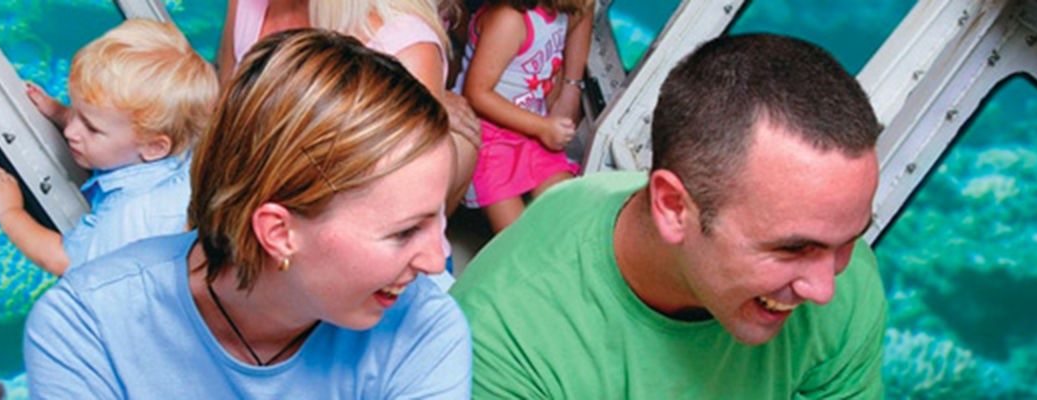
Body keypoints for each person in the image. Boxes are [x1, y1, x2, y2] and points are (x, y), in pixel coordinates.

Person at [23, 29, 470, 398]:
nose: (436, 259)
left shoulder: (425, 328)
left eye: (438, 220)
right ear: (278, 232)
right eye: (405, 232)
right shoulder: (86, 327)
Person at [451, 33, 888, 398]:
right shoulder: (503, 338)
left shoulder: (845, 278)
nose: (825, 287)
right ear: (674, 207)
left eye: (848, 240)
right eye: (792, 248)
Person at [0, 19, 216, 276]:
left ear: (153, 148)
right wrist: (59, 112)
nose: (71, 132)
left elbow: (63, 260)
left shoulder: (129, 214)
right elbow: (109, 122)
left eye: (91, 128)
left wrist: (10, 212)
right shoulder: (170, 146)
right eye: (76, 112)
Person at [219, 0, 482, 214]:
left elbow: (393, 212)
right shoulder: (247, 5)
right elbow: (223, 119)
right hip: (243, 199)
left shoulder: (402, 45)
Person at [460, 0, 592, 232]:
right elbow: (477, 93)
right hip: (489, 140)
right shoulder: (509, 20)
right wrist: (542, 127)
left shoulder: (560, 13)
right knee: (518, 240)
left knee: (571, 217)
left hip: (531, 130)